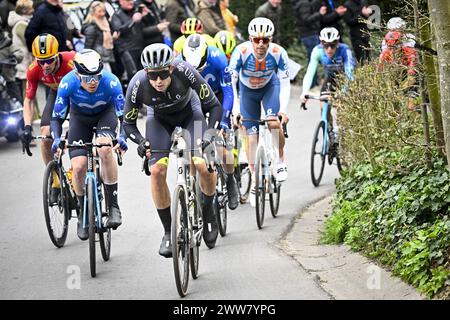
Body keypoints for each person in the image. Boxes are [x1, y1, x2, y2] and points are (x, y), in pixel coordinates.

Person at [123, 43, 222, 256]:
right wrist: (140, 141)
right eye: (152, 76)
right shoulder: (137, 84)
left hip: (190, 114)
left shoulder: (186, 71)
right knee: (157, 172)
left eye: (162, 75)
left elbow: (214, 106)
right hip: (159, 120)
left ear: (171, 69)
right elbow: (128, 124)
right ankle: (168, 232)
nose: (157, 81)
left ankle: (209, 213)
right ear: (145, 72)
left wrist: (209, 134)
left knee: (201, 164)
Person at [51, 49, 127, 240]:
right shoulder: (67, 83)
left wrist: (123, 137)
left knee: (104, 148)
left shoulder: (111, 81)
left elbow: (124, 117)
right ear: (77, 75)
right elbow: (56, 118)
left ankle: (112, 204)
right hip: (79, 119)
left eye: (96, 77)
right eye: (86, 78)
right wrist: (57, 139)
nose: (92, 82)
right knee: (78, 167)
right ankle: (83, 212)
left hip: (105, 115)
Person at [229, 17, 290, 207]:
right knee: (251, 136)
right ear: (250, 38)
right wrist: (236, 109)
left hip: (269, 88)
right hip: (247, 93)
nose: (261, 44)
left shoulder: (279, 53)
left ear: (271, 39)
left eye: (266, 40)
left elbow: (285, 82)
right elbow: (231, 84)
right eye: (257, 40)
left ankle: (280, 160)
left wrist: (283, 110)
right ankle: (256, 179)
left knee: (273, 122)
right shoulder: (241, 52)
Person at [181, 33, 239, 210]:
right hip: (194, 102)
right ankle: (192, 188)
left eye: (199, 68)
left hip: (217, 99)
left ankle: (230, 180)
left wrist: (223, 121)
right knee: (190, 146)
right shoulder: (177, 61)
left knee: (222, 147)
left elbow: (229, 92)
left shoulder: (218, 58)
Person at [20, 34, 76, 177]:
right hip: (56, 94)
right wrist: (27, 127)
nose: (45, 65)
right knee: (45, 137)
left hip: (77, 96)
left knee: (75, 137)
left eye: (49, 60)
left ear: (57, 55)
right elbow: (29, 99)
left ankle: (77, 171)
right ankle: (55, 178)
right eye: (41, 61)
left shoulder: (72, 61)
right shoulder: (33, 69)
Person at [300, 27, 355, 144]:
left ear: (338, 43)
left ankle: (341, 132)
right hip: (330, 79)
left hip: (344, 78)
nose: (329, 49)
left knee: (342, 106)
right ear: (321, 44)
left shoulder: (345, 50)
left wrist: (344, 92)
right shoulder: (317, 51)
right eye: (326, 46)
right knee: (323, 106)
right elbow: (310, 72)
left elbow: (350, 73)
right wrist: (304, 92)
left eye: (333, 45)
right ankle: (330, 132)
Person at [379, 31, 418, 111]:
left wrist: (403, 89)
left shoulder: (409, 51)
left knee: (410, 106)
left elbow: (411, 76)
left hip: (410, 75)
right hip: (396, 75)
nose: (394, 51)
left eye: (396, 47)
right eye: (391, 48)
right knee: (393, 104)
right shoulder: (385, 53)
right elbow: (380, 71)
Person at [292, 0, 324, 88]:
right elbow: (306, 19)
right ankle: (312, 84)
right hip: (310, 35)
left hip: (307, 35)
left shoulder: (301, 3)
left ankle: (314, 83)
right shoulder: (304, 3)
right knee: (313, 59)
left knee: (313, 59)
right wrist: (320, 14)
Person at [82, 1, 119, 72]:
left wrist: (113, 37)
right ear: (93, 12)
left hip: (106, 55)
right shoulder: (91, 26)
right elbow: (88, 46)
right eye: (99, 11)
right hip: (98, 58)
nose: (102, 14)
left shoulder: (105, 22)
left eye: (103, 11)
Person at [8, 0, 34, 101]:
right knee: (27, 92)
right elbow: (29, 42)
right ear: (25, 10)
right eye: (30, 8)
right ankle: (30, 115)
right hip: (24, 62)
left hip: (23, 61)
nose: (33, 10)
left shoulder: (22, 22)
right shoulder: (21, 24)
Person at [343, 0, 372, 64]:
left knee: (368, 58)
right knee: (361, 59)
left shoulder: (364, 2)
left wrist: (370, 13)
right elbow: (349, 21)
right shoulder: (347, 5)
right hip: (356, 36)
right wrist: (361, 14)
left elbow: (370, 18)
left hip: (366, 34)